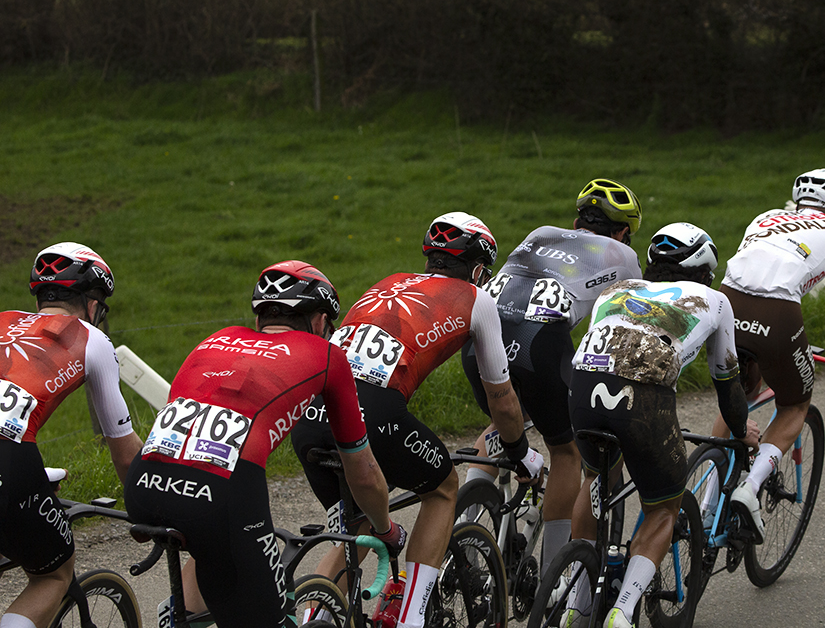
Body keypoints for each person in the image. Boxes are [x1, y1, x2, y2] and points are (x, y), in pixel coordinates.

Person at [292, 212, 542, 628]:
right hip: (369, 413)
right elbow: (501, 397)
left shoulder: (388, 281)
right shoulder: (477, 298)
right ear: (480, 267)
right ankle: (411, 616)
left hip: (310, 416)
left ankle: (312, 616)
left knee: (356, 528)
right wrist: (519, 451)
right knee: (443, 488)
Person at [125, 261, 402, 628]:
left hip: (143, 486)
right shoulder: (328, 356)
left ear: (260, 317)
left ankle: (183, 617)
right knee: (266, 612)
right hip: (220, 496)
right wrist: (384, 529)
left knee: (215, 554)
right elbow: (363, 472)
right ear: (319, 321)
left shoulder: (215, 339)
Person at [564, 222, 759, 628]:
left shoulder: (616, 290)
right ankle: (624, 610)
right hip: (643, 398)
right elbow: (728, 383)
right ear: (705, 271)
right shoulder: (715, 300)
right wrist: (741, 431)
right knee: (665, 506)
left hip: (582, 387)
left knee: (596, 478)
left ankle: (575, 605)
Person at [461, 178, 643, 568]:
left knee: (503, 417)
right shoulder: (623, 257)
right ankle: (553, 568)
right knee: (567, 450)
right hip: (537, 343)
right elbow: (628, 327)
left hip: (479, 337)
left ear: (577, 221)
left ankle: (464, 524)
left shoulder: (541, 233)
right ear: (623, 231)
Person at [717, 168, 825, 539]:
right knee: (794, 404)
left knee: (735, 390)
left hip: (725, 304)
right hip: (777, 313)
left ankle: (708, 501)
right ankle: (749, 489)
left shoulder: (765, 217)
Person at [0, 243, 142, 628]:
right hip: (8, 457)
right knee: (52, 576)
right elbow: (125, 453)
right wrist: (150, 508)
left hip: (15, 460)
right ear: (92, 302)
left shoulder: (2, 320)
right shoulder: (90, 339)